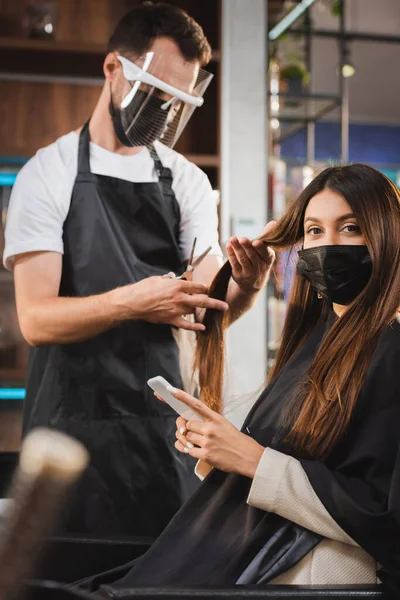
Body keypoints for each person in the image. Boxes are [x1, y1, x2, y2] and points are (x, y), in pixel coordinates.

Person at [3, 2, 274, 538]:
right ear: (113, 70)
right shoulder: (48, 172)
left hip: (160, 434)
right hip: (67, 430)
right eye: (155, 93)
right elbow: (36, 320)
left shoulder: (188, 182)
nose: (165, 113)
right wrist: (135, 301)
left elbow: (211, 309)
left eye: (178, 102)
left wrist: (247, 285)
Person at [78, 163, 400, 595]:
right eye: (315, 231)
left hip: (321, 571)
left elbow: (383, 515)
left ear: (387, 235)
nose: (329, 245)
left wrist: (251, 459)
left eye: (350, 227)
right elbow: (301, 462)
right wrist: (217, 449)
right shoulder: (317, 340)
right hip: (260, 548)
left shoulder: (392, 351)